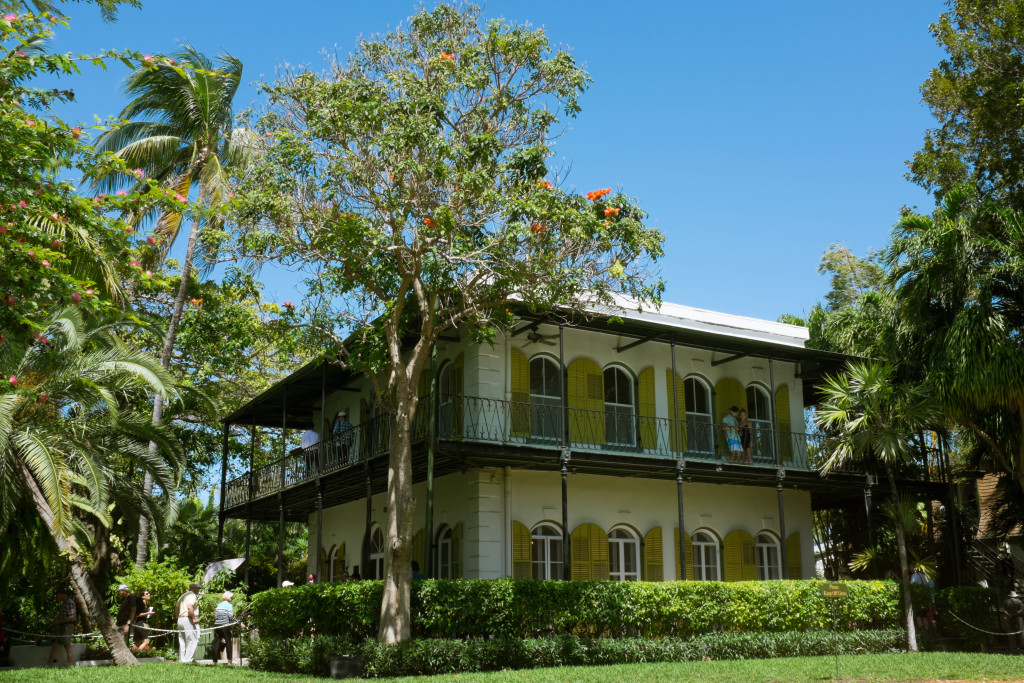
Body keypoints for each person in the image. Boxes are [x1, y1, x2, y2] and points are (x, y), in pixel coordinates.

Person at [47, 587, 76, 667]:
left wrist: (59, 622)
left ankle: (71, 665)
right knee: (56, 644)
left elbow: (72, 617)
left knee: (67, 644)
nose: (56, 597)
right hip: (62, 626)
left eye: (57, 595)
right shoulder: (64, 603)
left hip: (68, 626)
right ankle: (49, 665)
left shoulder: (69, 603)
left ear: (62, 595)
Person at [212, 591, 242, 664]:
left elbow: (216, 616)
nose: (232, 598)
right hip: (225, 625)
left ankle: (215, 661)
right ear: (229, 597)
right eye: (231, 597)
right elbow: (231, 616)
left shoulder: (219, 604)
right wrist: (238, 622)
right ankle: (230, 660)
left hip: (217, 625)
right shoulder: (229, 605)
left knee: (216, 642)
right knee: (228, 642)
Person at [176, 582, 201, 663]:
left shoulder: (183, 596)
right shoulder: (192, 596)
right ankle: (188, 660)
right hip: (188, 619)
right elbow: (190, 607)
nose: (198, 590)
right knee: (192, 640)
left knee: (182, 640)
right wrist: (193, 618)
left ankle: (182, 659)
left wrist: (178, 617)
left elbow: (176, 608)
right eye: (198, 588)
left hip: (180, 619)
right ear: (194, 589)